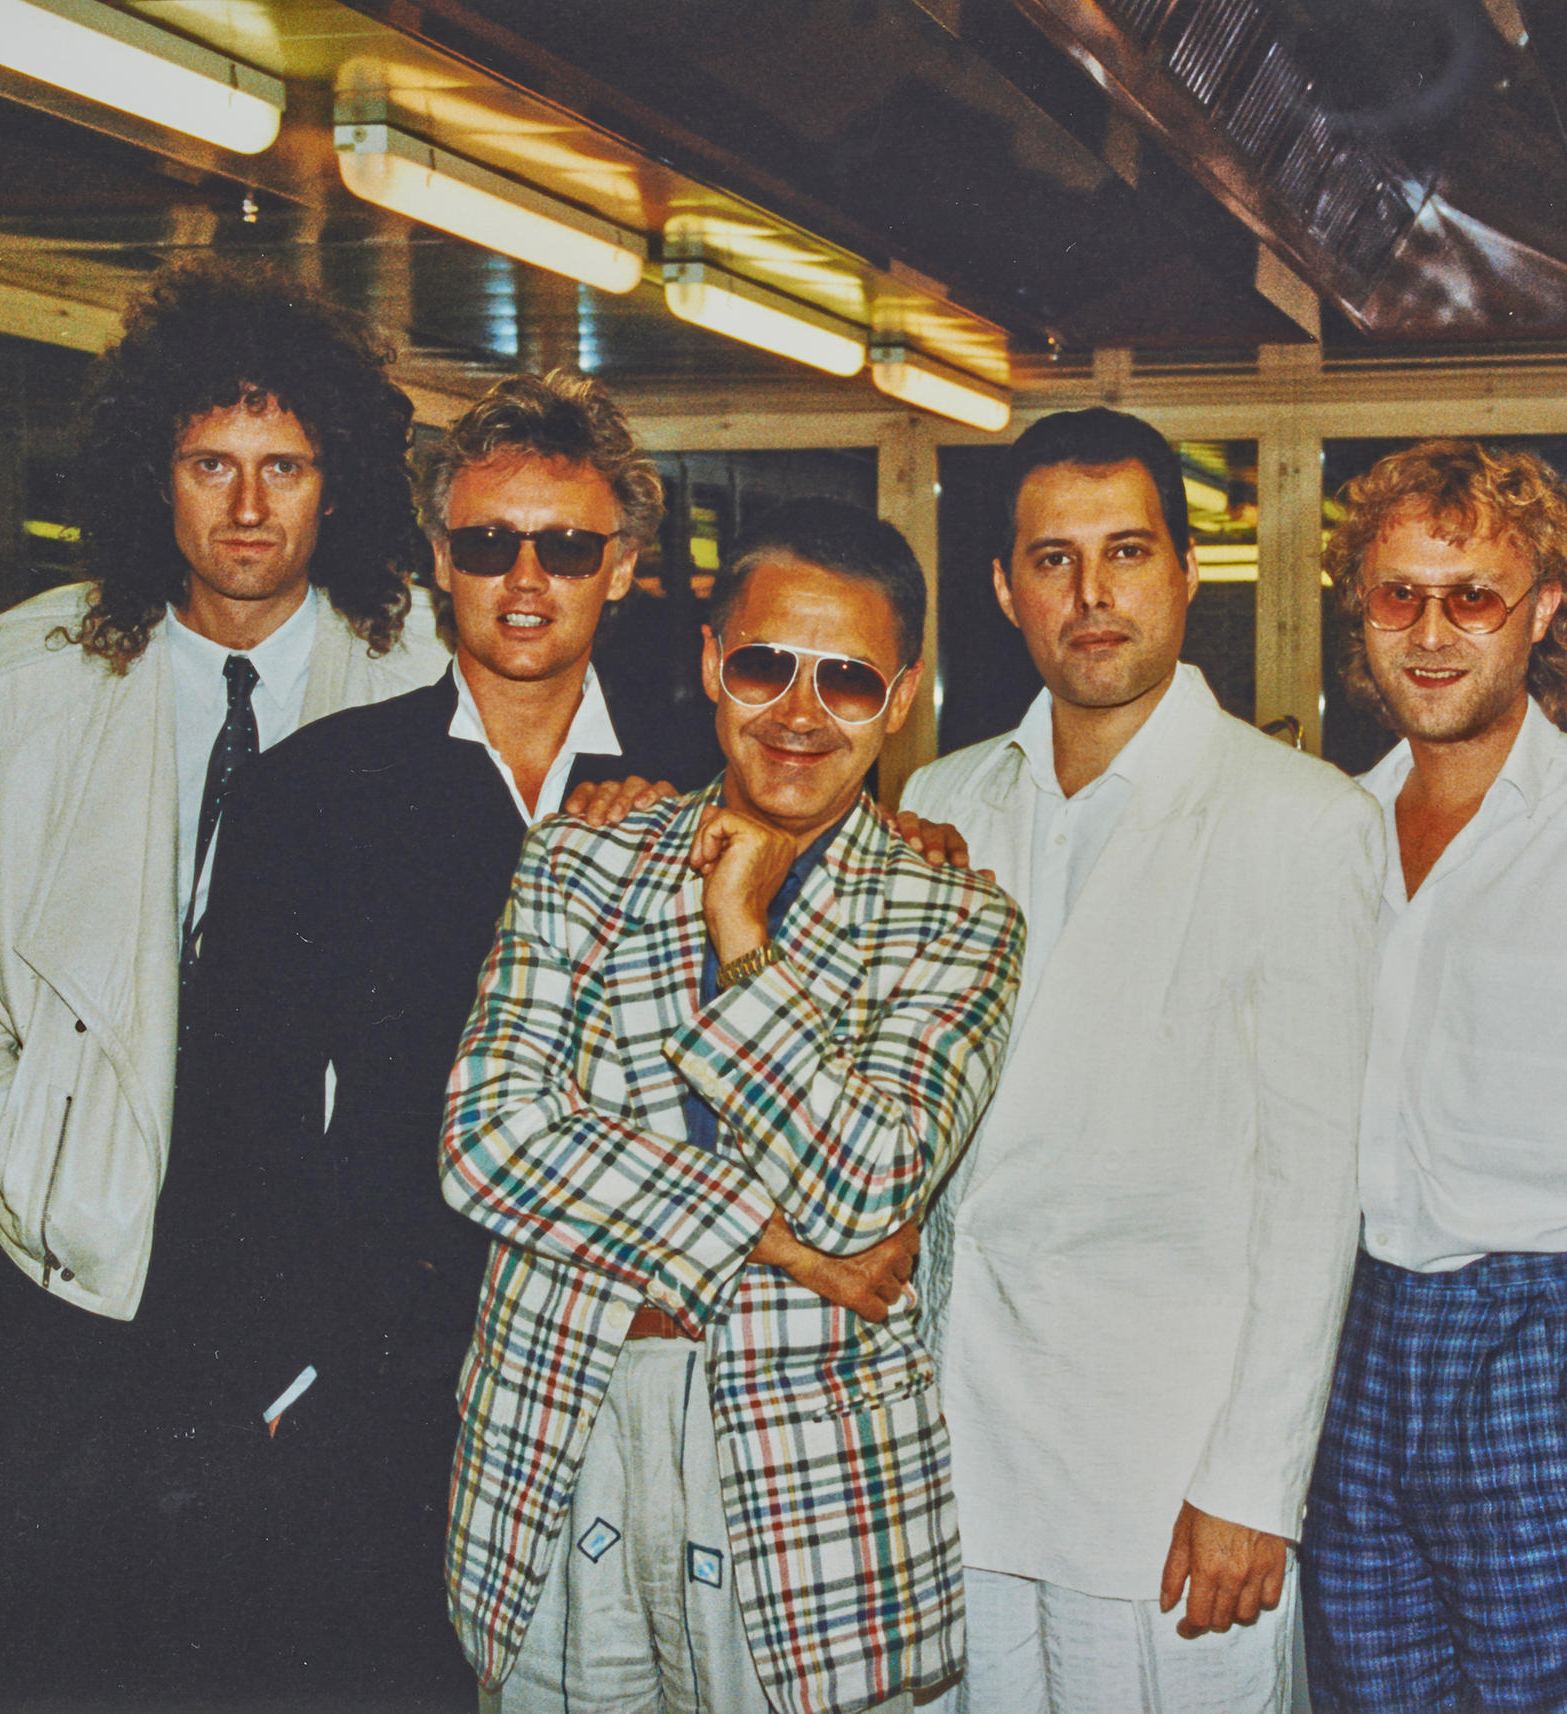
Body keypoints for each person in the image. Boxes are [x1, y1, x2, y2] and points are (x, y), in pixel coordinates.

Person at [0, 262, 447, 1711]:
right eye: (211, 463)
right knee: (74, 1648)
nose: (247, 506)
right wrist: (5, 1116)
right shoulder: (21, 677)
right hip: (83, 1265)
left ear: (338, 483)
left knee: (312, 1648)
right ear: (151, 475)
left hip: (331, 1273)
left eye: (285, 466)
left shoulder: (426, 673)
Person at [169, 369, 700, 1708]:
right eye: (487, 542)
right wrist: (282, 1380)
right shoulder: (316, 788)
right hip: (396, 1382)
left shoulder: (706, 783)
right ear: (436, 559)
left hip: (640, 1365)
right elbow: (239, 1118)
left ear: (622, 565)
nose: (524, 580)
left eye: (565, 546)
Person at [442, 498, 1024, 1714]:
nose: (799, 713)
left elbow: (867, 1187)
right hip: (562, 1433)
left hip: (813, 1485)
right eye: (765, 665)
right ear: (712, 661)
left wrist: (742, 934)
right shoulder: (580, 858)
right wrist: (782, 1246)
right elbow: (489, 1140)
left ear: (900, 697)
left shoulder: (959, 915)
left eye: (846, 680)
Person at [899, 407, 1386, 1714]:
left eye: (1125, 551)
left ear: (1185, 568)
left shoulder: (1302, 821)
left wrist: (1254, 1480)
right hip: (959, 1447)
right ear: (1004, 587)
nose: (1091, 594)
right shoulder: (942, 804)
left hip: (1168, 1477)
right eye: (1052, 559)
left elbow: (1314, 1189)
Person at [1295, 441, 1567, 1713]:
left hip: (1539, 1344)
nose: (1432, 633)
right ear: (1360, 608)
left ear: (1544, 606)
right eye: (1399, 595)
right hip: (1350, 1335)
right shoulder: (1332, 828)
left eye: (1473, 596)